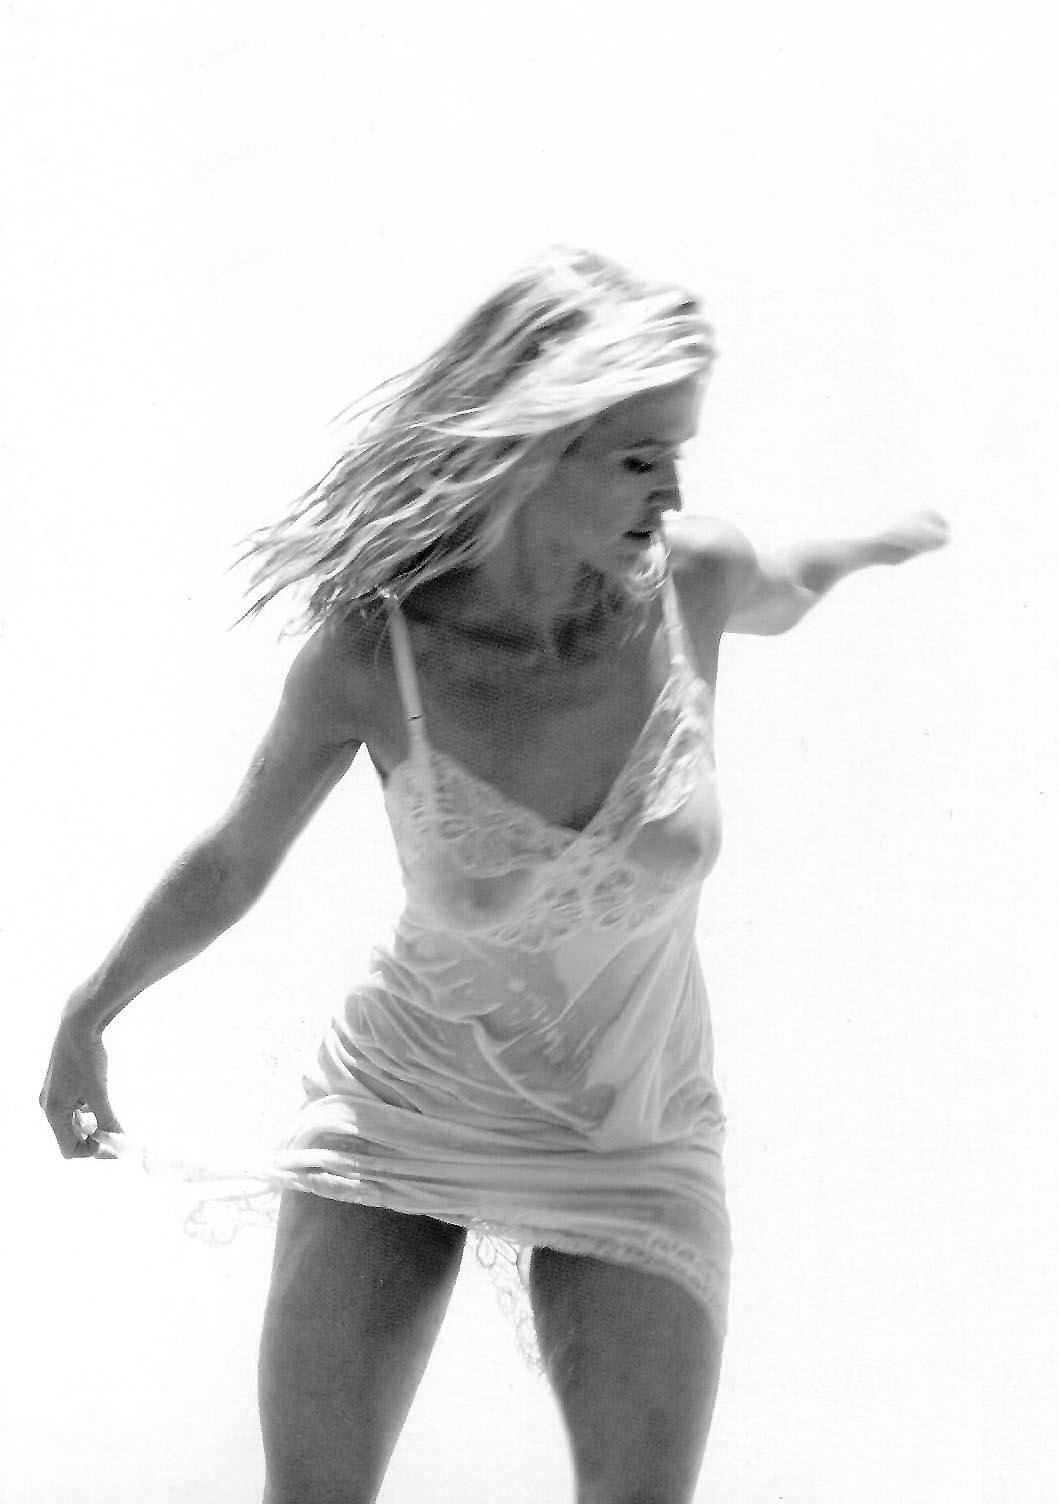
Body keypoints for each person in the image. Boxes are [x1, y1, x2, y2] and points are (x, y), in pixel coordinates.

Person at [40, 246, 949, 1504]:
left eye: (680, 451)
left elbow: (788, 581)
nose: (673, 489)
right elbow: (238, 852)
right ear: (534, 449)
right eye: (639, 457)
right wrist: (89, 1011)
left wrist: (880, 544)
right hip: (406, 1103)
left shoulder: (691, 582)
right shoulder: (380, 654)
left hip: (637, 1139)